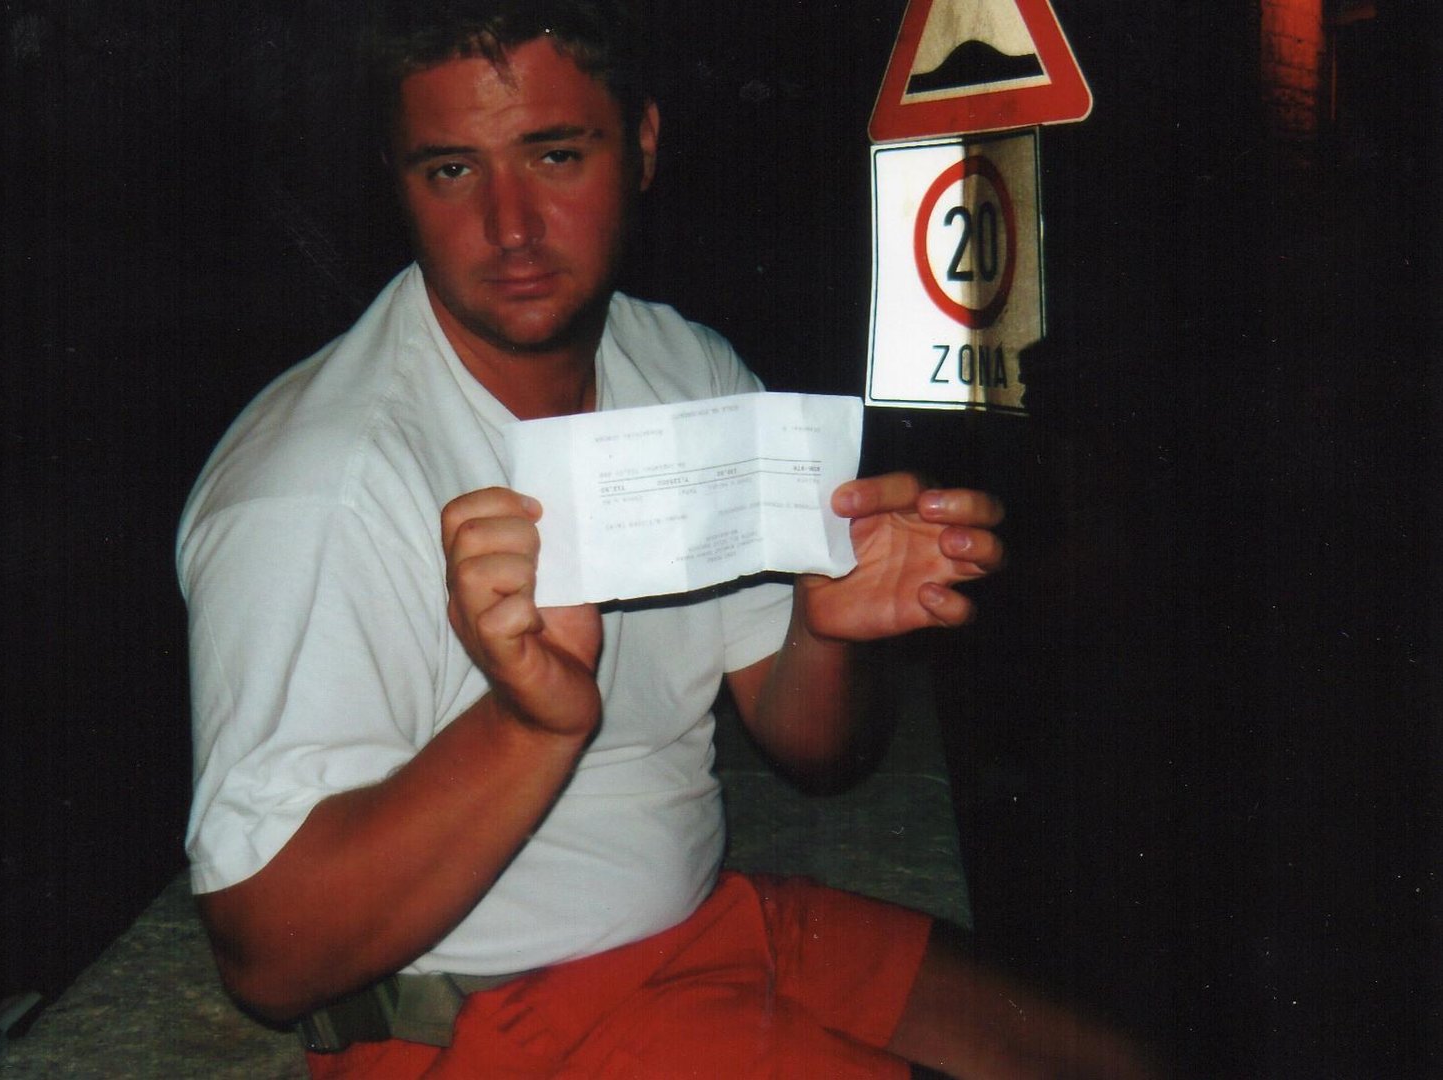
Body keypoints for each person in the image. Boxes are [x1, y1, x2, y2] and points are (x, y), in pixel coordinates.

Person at [177, 2, 1162, 1075]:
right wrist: (528, 724)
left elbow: (816, 754)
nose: (510, 226)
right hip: (482, 1017)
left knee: (1115, 1061)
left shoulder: (685, 365)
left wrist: (826, 631)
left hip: (705, 926)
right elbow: (268, 963)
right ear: (397, 182)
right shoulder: (316, 488)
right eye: (451, 170)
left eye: (555, 155)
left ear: (641, 145)